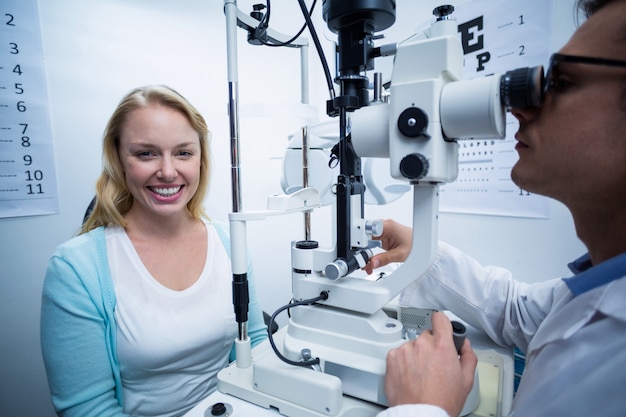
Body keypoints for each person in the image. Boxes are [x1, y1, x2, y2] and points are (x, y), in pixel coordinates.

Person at [370, 0, 626, 416]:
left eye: (559, 82)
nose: (518, 108)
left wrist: (424, 408)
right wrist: (425, 253)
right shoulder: (599, 285)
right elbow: (518, 310)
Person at [40, 85, 267, 417]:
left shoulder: (230, 242)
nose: (168, 171)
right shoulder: (76, 268)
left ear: (201, 159)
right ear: (119, 159)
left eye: (183, 153)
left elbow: (255, 343)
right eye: (146, 153)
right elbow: (88, 408)